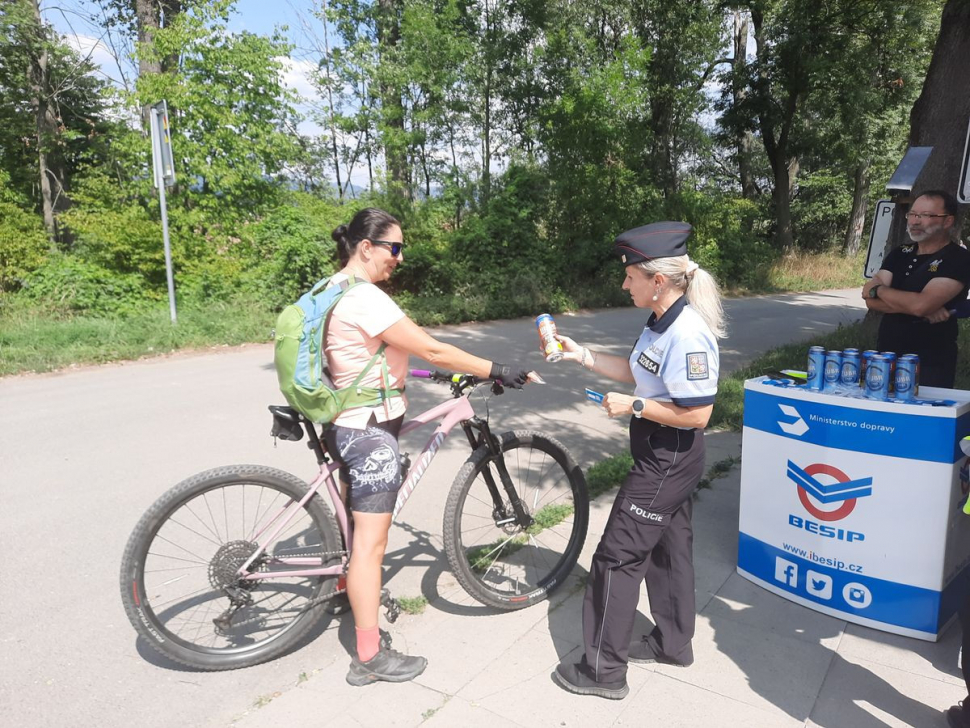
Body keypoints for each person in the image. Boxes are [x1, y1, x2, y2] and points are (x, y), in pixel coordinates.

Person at [320, 207, 536, 687]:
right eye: (393, 247)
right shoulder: (366, 299)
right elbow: (432, 348)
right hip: (367, 434)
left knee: (356, 535)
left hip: (345, 420)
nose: (399, 257)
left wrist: (423, 370)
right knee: (370, 549)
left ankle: (344, 584)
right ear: (366, 247)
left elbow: (382, 351)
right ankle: (369, 657)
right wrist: (495, 368)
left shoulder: (333, 288)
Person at [552, 221, 725, 699]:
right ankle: (673, 643)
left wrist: (633, 407)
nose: (623, 283)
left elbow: (699, 414)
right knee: (668, 552)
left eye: (630, 276)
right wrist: (581, 355)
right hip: (659, 451)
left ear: (658, 280)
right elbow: (638, 370)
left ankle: (603, 671)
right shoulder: (660, 319)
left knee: (616, 557)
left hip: (667, 456)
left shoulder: (689, 333)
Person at [863, 190, 970, 388]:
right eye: (912, 214)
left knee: (924, 417)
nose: (915, 221)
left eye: (926, 215)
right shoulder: (899, 253)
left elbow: (920, 306)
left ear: (948, 221)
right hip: (887, 355)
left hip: (931, 361)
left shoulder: (959, 259)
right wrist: (914, 305)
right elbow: (868, 298)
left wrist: (880, 290)